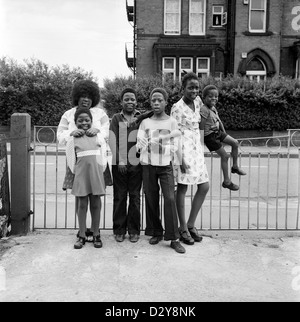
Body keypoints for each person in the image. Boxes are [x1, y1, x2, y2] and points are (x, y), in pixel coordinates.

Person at [57, 80, 110, 241]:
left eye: (88, 96)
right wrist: (71, 134)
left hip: (97, 160)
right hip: (77, 161)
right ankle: (81, 232)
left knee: (96, 198)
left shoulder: (100, 114)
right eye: (82, 96)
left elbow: (107, 132)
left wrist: (98, 131)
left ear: (93, 97)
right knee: (81, 198)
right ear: (76, 97)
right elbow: (60, 135)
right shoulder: (68, 114)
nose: (85, 99)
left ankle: (95, 231)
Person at [136, 87, 186, 254]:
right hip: (148, 165)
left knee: (170, 198)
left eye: (159, 100)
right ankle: (156, 231)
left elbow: (175, 146)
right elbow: (138, 144)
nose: (156, 103)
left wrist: (161, 147)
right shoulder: (145, 122)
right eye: (153, 100)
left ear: (165, 102)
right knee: (151, 198)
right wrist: (141, 144)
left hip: (165, 166)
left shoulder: (171, 122)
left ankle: (173, 238)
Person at [171, 72, 210, 246]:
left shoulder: (199, 101)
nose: (194, 90)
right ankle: (182, 227)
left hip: (196, 148)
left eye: (196, 87)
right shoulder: (176, 107)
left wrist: (202, 144)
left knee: (204, 186)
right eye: (190, 87)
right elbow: (174, 134)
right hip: (183, 149)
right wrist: (180, 159)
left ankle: (191, 224)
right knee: (182, 187)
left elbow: (202, 121)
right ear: (183, 88)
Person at [66, 108, 106, 249]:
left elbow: (104, 155)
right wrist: (77, 173)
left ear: (92, 121)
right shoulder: (73, 138)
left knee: (96, 204)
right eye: (80, 120)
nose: (84, 123)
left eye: (87, 120)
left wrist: (101, 172)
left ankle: (96, 234)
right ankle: (82, 235)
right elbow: (71, 159)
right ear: (75, 122)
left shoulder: (98, 136)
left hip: (95, 174)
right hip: (81, 175)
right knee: (82, 205)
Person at [108, 88, 143, 243]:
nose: (130, 102)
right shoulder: (116, 118)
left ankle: (134, 230)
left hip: (137, 164)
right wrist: (120, 159)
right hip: (119, 165)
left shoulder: (141, 118)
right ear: (121, 102)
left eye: (132, 99)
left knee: (135, 197)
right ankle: (119, 229)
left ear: (136, 101)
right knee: (120, 197)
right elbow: (112, 140)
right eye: (126, 99)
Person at [200, 85, 246, 191]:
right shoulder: (204, 109)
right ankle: (227, 182)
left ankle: (234, 167)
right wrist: (201, 143)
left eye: (216, 96)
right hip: (209, 136)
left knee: (235, 142)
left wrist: (224, 136)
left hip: (218, 133)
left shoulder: (213, 108)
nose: (214, 98)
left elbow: (219, 121)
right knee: (225, 156)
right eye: (211, 96)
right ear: (204, 97)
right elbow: (201, 126)